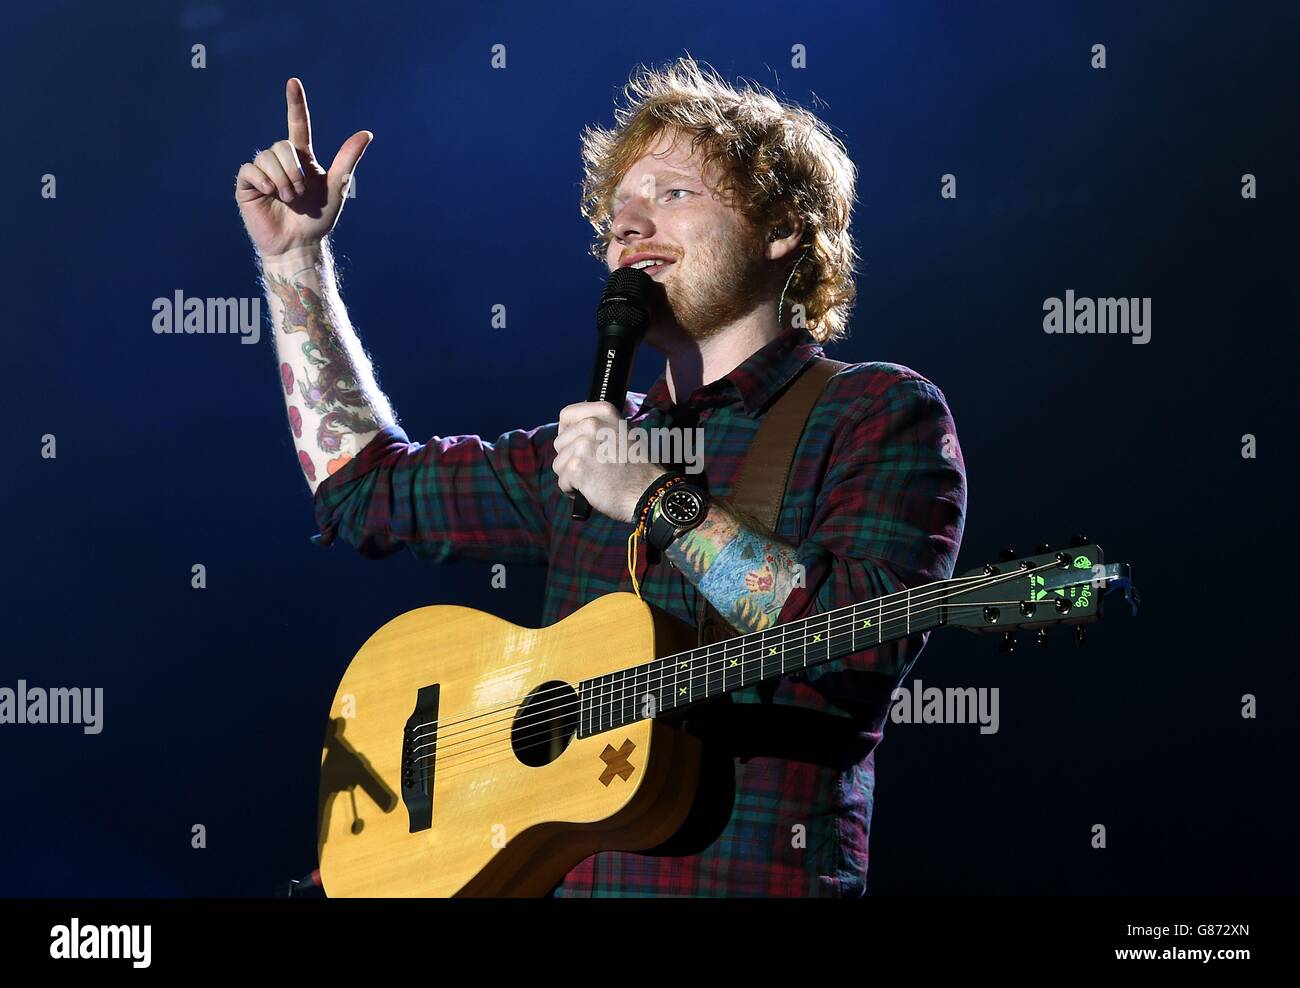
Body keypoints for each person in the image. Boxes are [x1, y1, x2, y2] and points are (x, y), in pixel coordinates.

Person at [235, 56, 967, 897]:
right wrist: (296, 267)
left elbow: (865, 641)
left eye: (672, 194)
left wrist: (656, 498)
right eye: (616, 214)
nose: (628, 226)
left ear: (781, 230)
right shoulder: (590, 453)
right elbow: (360, 490)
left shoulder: (876, 412)